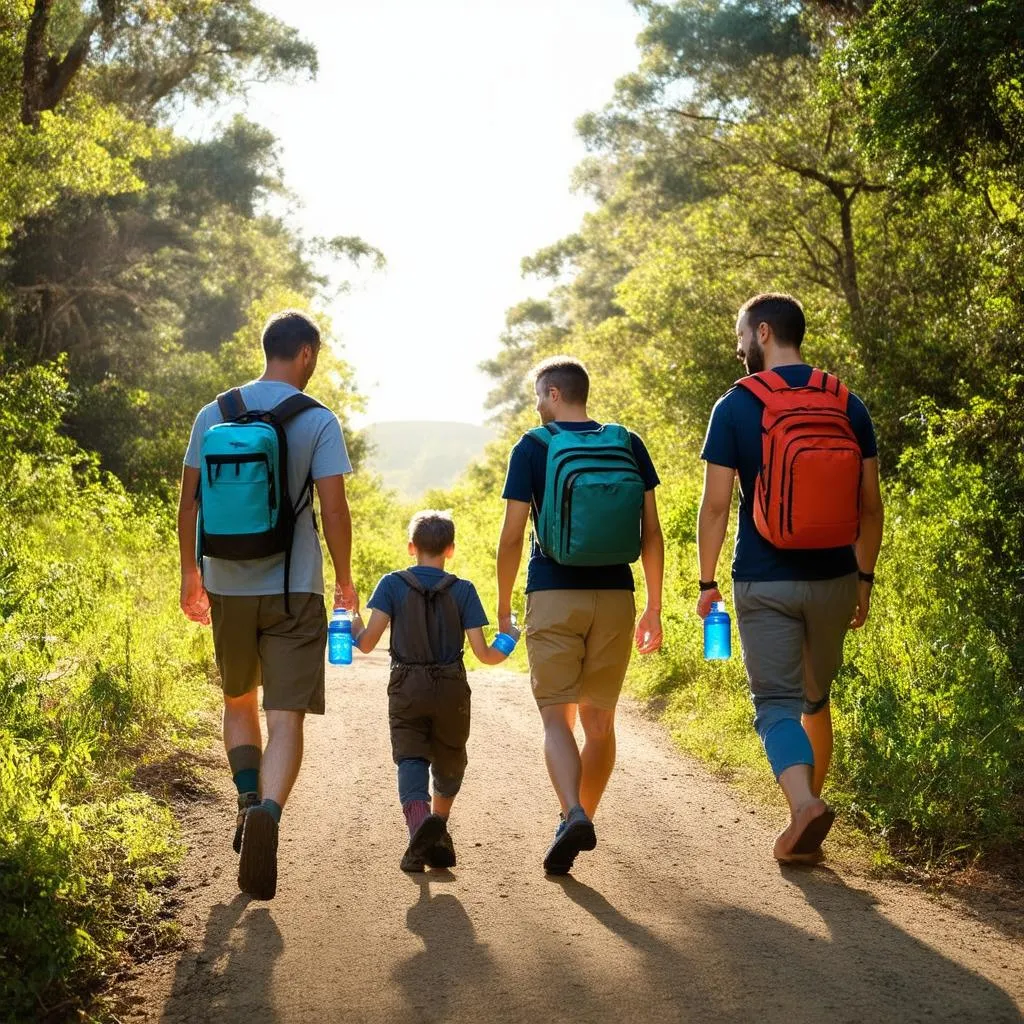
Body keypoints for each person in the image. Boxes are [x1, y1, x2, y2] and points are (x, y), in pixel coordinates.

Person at [697, 293, 884, 863]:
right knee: (815, 699)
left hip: (765, 579)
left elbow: (715, 505)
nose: (739, 346)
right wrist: (864, 578)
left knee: (776, 704)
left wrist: (706, 583)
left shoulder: (735, 405)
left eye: (742, 335)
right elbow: (871, 507)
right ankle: (808, 818)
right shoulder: (847, 403)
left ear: (765, 332)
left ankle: (804, 807)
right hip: (834, 577)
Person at [177, 309, 356, 900]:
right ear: (305, 353)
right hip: (294, 586)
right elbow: (333, 510)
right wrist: (346, 581)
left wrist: (190, 575)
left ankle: (247, 795)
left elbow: (190, 505)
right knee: (285, 716)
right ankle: (269, 815)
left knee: (238, 699)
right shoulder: (318, 420)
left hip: (226, 582)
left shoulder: (214, 412)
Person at [496, 356, 664, 875]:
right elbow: (651, 532)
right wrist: (655, 606)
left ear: (551, 393)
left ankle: (571, 812)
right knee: (600, 721)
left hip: (553, 593)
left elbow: (511, 535)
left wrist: (503, 605)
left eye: (536, 395)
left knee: (555, 717)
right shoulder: (627, 442)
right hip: (616, 594)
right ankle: (582, 813)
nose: (536, 404)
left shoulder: (533, 446)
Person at [350, 510, 512, 872]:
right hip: (451, 686)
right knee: (450, 757)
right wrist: (511, 638)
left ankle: (420, 826)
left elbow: (365, 643)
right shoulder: (464, 590)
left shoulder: (391, 584)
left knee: (410, 757)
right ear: (450, 549)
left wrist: (352, 615)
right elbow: (486, 654)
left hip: (407, 683)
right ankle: (437, 824)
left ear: (412, 547)